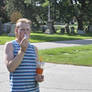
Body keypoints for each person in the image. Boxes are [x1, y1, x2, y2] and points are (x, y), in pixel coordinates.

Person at [4, 18, 44, 92]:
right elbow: (11, 68)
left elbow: (38, 68)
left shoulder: (34, 48)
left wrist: (39, 76)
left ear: (30, 32)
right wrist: (22, 50)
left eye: (27, 29)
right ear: (16, 30)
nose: (25, 32)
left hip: (34, 90)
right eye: (22, 29)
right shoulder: (10, 45)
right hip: (18, 90)